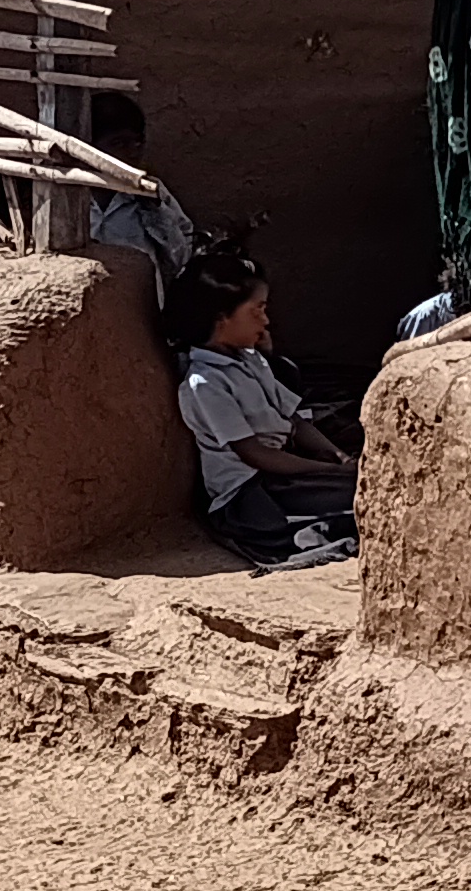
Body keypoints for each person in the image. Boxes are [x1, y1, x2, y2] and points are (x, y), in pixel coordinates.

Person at [163, 252, 357, 569]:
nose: (266, 321)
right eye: (258, 311)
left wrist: (339, 457)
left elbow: (294, 421)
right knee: (357, 506)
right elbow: (257, 455)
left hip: (284, 475)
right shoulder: (206, 384)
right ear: (221, 318)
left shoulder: (251, 360)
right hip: (254, 494)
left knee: (365, 486)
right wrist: (331, 471)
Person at [80, 92, 201, 282]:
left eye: (137, 143)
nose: (132, 153)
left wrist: (156, 210)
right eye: (118, 144)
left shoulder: (152, 193)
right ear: (89, 147)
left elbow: (180, 257)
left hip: (141, 302)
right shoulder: (69, 195)